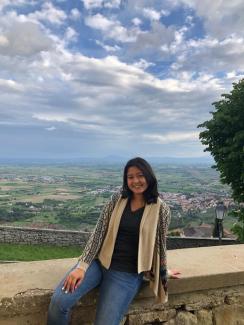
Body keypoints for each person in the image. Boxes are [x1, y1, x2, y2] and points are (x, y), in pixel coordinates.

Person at [47, 157, 180, 325]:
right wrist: (82, 266)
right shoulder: (117, 199)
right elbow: (98, 233)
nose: (135, 181)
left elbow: (158, 246)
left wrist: (162, 271)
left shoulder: (162, 210)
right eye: (130, 177)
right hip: (99, 263)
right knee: (59, 302)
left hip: (127, 274)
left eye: (140, 175)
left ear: (149, 177)